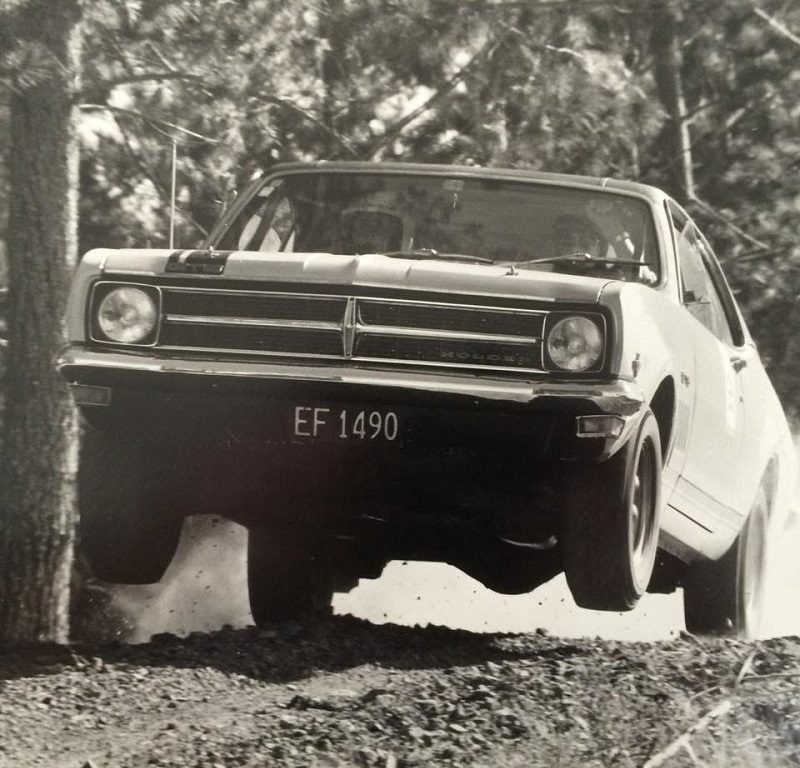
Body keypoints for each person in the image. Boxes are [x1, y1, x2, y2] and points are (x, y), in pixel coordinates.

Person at [340, 190, 406, 254]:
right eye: (364, 224)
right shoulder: (337, 259)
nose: (369, 233)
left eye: (378, 224)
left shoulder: (399, 262)